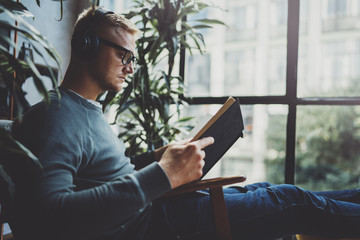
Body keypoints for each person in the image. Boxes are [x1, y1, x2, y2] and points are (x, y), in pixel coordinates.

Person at [11, 7, 360, 240]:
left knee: (272, 190)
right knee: (293, 200)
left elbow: (105, 176)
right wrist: (162, 175)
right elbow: (50, 213)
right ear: (86, 45)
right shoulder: (55, 116)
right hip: (158, 224)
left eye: (134, 58)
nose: (131, 67)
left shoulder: (87, 110)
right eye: (123, 55)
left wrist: (162, 158)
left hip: (165, 206)